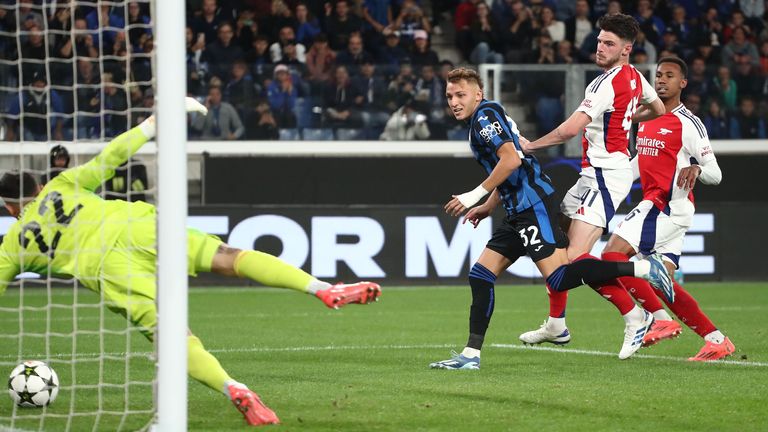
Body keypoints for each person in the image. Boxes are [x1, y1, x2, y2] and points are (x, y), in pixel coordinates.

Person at [0, 98, 382, 426]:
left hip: (109, 271)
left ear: (10, 206)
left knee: (174, 337)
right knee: (228, 257)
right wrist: (153, 123)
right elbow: (112, 156)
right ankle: (324, 288)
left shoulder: (13, 244)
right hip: (139, 228)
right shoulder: (62, 184)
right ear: (37, 186)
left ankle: (235, 387)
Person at [428, 68, 671, 370]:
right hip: (517, 207)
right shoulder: (486, 115)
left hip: (532, 205)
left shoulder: (483, 118)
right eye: (450, 95)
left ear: (478, 94)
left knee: (558, 276)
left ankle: (645, 268)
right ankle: (471, 355)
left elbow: (512, 159)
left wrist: (475, 194)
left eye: (460, 94)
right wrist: (490, 204)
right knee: (481, 275)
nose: (454, 101)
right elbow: (515, 159)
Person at [518, 14, 666, 346]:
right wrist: (626, 119)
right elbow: (656, 108)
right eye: (599, 40)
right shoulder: (635, 78)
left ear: (626, 49)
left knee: (571, 260)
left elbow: (569, 130)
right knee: (554, 249)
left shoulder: (604, 84)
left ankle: (636, 315)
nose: (600, 47)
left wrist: (531, 145)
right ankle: (556, 325)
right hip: (595, 175)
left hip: (604, 177)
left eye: (609, 43)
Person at [601, 57, 734, 361]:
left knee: (612, 255)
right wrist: (609, 182)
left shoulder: (688, 122)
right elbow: (640, 163)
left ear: (682, 83)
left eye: (669, 76)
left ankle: (659, 319)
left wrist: (698, 169)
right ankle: (716, 340)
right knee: (661, 283)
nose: (661, 80)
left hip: (666, 206)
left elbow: (716, 173)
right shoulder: (647, 118)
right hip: (664, 207)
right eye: (658, 75)